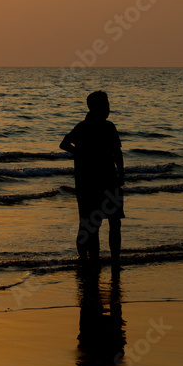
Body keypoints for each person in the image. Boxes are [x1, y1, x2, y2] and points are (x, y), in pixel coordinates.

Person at [60, 90, 125, 264]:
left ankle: (95, 260)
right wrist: (121, 172)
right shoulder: (91, 126)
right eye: (107, 105)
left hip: (94, 180)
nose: (109, 109)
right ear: (99, 108)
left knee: (95, 223)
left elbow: (64, 144)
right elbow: (117, 152)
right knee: (104, 223)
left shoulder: (91, 126)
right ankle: (100, 260)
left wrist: (80, 153)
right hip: (98, 180)